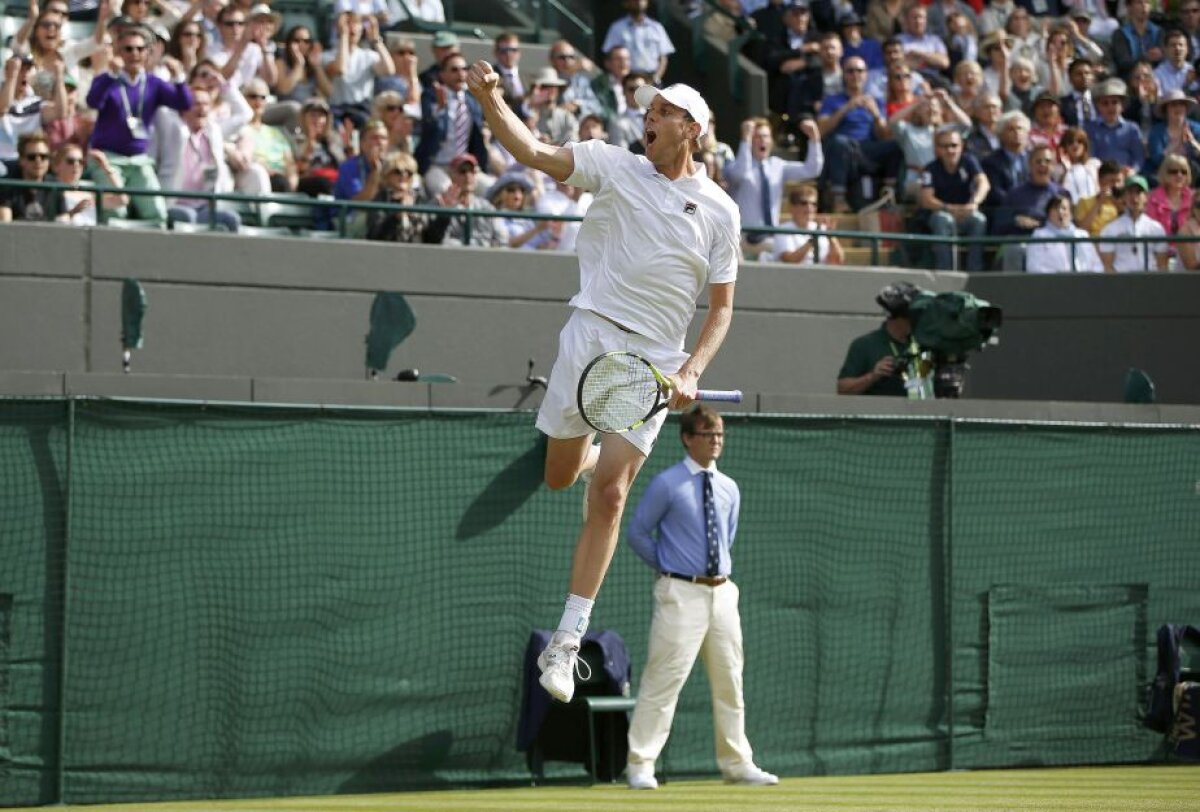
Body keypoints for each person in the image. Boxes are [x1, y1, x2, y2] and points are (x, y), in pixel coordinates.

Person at [464, 61, 739, 705]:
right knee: (561, 477)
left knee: (611, 497)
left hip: (655, 362)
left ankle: (566, 639)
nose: (649, 117)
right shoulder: (611, 164)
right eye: (647, 110)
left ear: (691, 128)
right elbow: (530, 149)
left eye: (663, 112)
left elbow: (722, 308)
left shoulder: (721, 211)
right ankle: (579, 454)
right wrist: (490, 98)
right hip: (590, 334)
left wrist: (692, 369)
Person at [623, 404, 778, 791]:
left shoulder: (729, 488)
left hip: (723, 594)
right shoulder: (667, 483)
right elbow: (638, 532)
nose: (716, 442)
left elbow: (728, 535)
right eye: (708, 435)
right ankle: (640, 764)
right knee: (663, 680)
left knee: (730, 682)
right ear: (687, 438)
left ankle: (737, 763)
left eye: (720, 434)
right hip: (680, 592)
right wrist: (668, 565)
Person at [86, 24, 193, 223]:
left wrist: (179, 77)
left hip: (139, 159)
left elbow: (184, 103)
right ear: (119, 52)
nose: (134, 54)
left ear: (148, 53)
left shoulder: (153, 83)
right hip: (109, 159)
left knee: (157, 213)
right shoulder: (107, 79)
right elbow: (93, 101)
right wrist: (111, 75)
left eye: (140, 49)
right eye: (128, 49)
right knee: (114, 213)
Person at [724, 115, 822, 256]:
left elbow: (812, 169)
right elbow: (740, 174)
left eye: (765, 136)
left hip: (770, 239)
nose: (762, 140)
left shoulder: (778, 166)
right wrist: (745, 139)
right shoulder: (736, 166)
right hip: (741, 239)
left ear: (771, 141)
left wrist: (814, 139)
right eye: (756, 137)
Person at [919, 124, 989, 271]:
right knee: (943, 219)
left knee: (979, 219)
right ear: (937, 149)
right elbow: (926, 199)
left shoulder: (969, 161)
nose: (950, 150)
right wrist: (949, 208)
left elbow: (984, 183)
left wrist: (974, 203)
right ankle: (945, 271)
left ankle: (975, 270)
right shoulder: (930, 168)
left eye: (954, 145)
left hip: (965, 212)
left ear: (961, 146)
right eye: (944, 146)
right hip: (940, 213)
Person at [836, 281, 920, 396]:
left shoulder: (924, 344)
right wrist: (873, 376)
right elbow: (842, 389)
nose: (916, 320)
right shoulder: (865, 345)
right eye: (910, 317)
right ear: (896, 317)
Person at [1098, 175, 1169, 273]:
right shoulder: (1110, 229)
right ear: (1124, 196)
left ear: (1146, 197)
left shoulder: (1156, 228)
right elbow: (1107, 267)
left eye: (1138, 192)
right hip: (1122, 282)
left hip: (1150, 281)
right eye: (1130, 192)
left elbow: (1162, 265)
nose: (1134, 197)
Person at [1025, 193, 1104, 273]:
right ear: (1048, 213)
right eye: (1055, 208)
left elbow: (1096, 265)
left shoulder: (1082, 235)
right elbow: (1034, 267)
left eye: (1064, 208)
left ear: (1071, 214)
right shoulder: (1039, 235)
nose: (1060, 212)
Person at [601, 0, 675, 85]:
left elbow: (663, 57)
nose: (638, 1)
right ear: (626, 3)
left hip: (651, 79)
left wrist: (656, 78)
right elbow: (610, 55)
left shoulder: (656, 28)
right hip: (628, 81)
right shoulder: (617, 28)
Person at [766, 185, 844, 264]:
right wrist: (812, 240)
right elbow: (790, 260)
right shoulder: (782, 230)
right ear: (792, 207)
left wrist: (831, 238)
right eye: (804, 203)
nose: (810, 207)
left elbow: (837, 261)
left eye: (814, 204)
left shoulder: (822, 229)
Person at [0, 131, 66, 221]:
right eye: (32, 157)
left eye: (43, 156)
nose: (38, 161)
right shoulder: (8, 186)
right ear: (21, 160)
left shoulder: (56, 186)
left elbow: (63, 221)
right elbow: (5, 223)